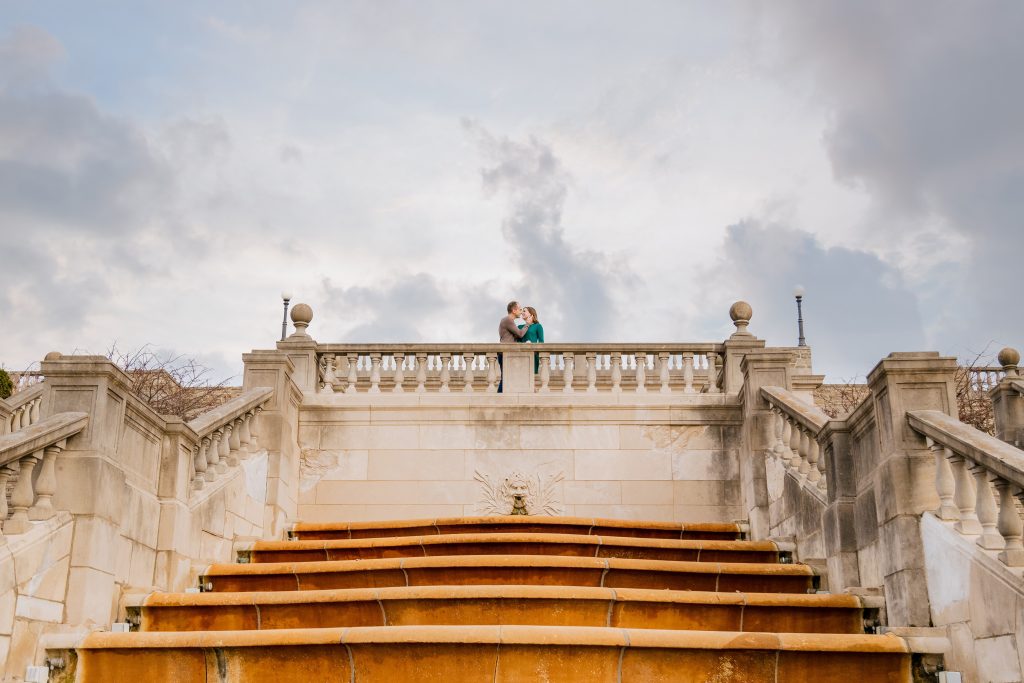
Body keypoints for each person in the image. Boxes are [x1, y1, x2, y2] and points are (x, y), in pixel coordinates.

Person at [497, 301, 531, 392]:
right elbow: (520, 334)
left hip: (506, 354)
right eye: (520, 309)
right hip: (504, 354)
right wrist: (527, 324)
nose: (521, 311)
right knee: (505, 379)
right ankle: (499, 400)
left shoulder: (509, 321)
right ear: (514, 310)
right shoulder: (507, 320)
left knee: (507, 379)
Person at [516, 306, 544, 372]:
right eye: (522, 311)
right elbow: (517, 342)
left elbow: (541, 342)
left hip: (533, 355)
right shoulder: (519, 327)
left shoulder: (538, 326)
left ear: (531, 314)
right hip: (521, 355)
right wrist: (524, 344)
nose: (522, 312)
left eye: (524, 311)